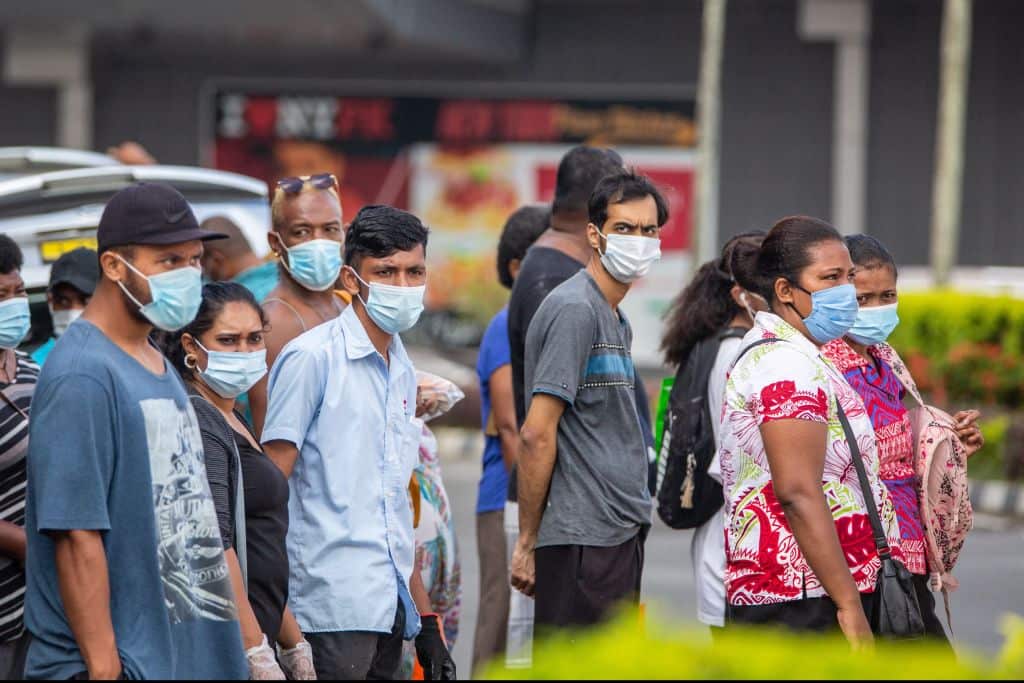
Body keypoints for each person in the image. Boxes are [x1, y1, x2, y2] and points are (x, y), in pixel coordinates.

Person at [22, 182, 248, 680]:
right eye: (168, 262)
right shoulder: (82, 373)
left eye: (194, 260)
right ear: (113, 267)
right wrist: (107, 671)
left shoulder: (152, 360)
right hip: (122, 665)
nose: (188, 275)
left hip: (183, 657)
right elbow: (76, 536)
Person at [262, 205, 455, 680]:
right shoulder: (312, 359)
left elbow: (391, 506)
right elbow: (269, 491)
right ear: (351, 278)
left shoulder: (403, 368)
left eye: (415, 272)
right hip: (324, 607)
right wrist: (274, 622)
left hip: (387, 608)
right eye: (385, 272)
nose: (403, 285)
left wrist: (426, 619)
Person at [718, 216, 904, 647]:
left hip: (807, 588)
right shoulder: (787, 364)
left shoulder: (801, 355)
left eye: (848, 277)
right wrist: (849, 605)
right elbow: (798, 492)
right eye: (830, 278)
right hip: (799, 596)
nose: (846, 292)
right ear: (785, 291)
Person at [511, 170, 668, 630]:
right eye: (624, 228)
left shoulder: (613, 317)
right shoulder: (576, 310)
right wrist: (527, 541)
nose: (638, 241)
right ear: (595, 235)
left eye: (648, 230)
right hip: (583, 540)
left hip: (615, 535)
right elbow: (537, 433)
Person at [820, 234, 984, 645]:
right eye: (863, 299)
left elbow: (901, 441)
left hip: (908, 541)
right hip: (863, 550)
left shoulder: (885, 359)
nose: (876, 309)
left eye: (887, 295)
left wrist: (946, 441)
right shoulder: (824, 366)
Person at [159, 282, 315, 679]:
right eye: (228, 341)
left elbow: (258, 543)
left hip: (259, 629)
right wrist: (255, 651)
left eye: (254, 339)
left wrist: (292, 643)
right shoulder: (201, 421)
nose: (245, 352)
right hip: (228, 650)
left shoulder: (230, 416)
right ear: (192, 347)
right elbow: (215, 543)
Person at [658, 230, 767, 632]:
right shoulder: (742, 355)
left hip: (725, 548)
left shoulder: (718, 346)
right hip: (740, 557)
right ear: (743, 295)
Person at [472, 205, 548, 675]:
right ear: (519, 267)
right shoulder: (507, 325)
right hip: (508, 498)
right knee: (501, 619)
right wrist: (528, 515)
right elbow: (509, 426)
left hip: (526, 500)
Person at [249, 173, 347, 437]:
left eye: (329, 229)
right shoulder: (273, 323)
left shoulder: (345, 303)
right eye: (302, 231)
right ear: (275, 243)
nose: (318, 243)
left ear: (343, 233)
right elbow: (270, 441)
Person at [0, 236, 38, 680]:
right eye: (0, 295)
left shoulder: (32, 370)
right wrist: (28, 545)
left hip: (47, 593)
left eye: (19, 291)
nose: (13, 304)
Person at [30, 247, 99, 366]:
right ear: (50, 300)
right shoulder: (36, 367)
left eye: (86, 301)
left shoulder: (129, 355)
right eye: (63, 301)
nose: (73, 311)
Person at [200, 215, 279, 302]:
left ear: (217, 260)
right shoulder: (286, 278)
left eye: (203, 266)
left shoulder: (235, 302)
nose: (203, 273)